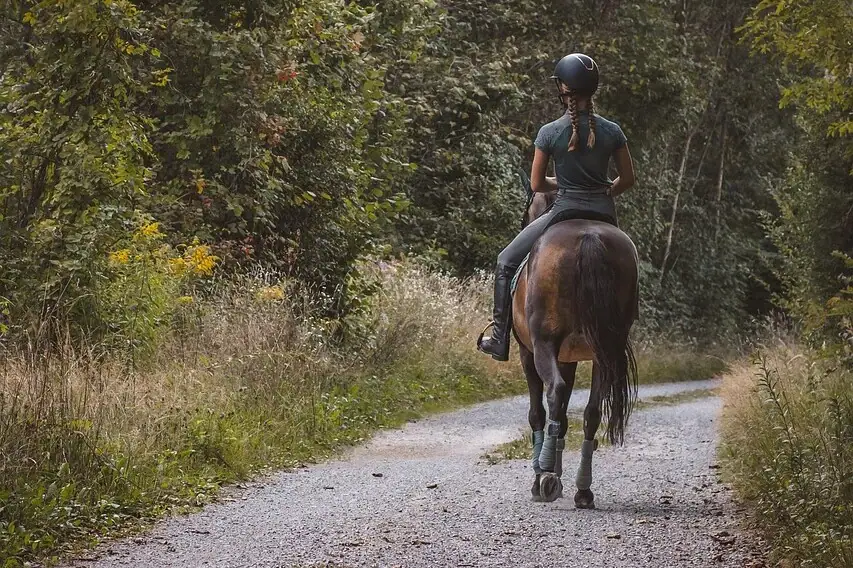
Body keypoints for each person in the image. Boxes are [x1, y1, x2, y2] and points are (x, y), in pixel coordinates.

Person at [477, 53, 636, 361]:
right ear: (593, 88)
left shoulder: (549, 132)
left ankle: (499, 339)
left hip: (562, 211)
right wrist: (603, 192)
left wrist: (562, 185)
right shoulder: (613, 131)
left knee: (506, 261)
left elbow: (537, 185)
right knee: (628, 260)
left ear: (563, 88)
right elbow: (628, 179)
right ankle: (623, 327)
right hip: (604, 212)